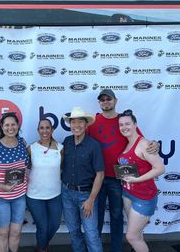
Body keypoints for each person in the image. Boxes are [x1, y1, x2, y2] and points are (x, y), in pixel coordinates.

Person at [87, 89, 159, 252]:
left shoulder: (124, 121)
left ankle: (116, 249)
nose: (106, 102)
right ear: (99, 103)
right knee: (96, 218)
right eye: (102, 100)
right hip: (97, 177)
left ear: (115, 101)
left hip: (120, 177)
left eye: (108, 99)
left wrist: (155, 144)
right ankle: (95, 249)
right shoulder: (93, 122)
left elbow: (143, 141)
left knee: (117, 216)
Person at [0, 112, 29, 252]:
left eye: (13, 124)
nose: (10, 128)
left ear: (18, 126)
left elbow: (26, 165)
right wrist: (2, 186)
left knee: (16, 232)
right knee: (2, 233)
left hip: (19, 197)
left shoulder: (22, 143)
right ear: (2, 127)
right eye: (6, 125)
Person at [118, 109, 165, 252]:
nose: (124, 127)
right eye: (121, 125)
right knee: (137, 235)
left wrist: (136, 180)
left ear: (135, 124)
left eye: (127, 124)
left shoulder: (144, 144)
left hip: (144, 197)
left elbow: (160, 169)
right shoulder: (127, 143)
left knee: (132, 237)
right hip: (127, 194)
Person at [61, 106, 104, 252]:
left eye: (80, 122)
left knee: (91, 234)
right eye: (73, 122)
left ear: (86, 125)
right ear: (70, 125)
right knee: (73, 232)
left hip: (86, 195)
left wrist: (91, 200)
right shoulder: (66, 142)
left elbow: (100, 174)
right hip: (67, 193)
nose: (76, 125)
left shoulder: (94, 145)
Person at [26, 119, 63, 252]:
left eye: (47, 128)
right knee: (43, 227)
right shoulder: (31, 148)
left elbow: (63, 168)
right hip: (34, 195)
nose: (45, 131)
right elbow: (23, 167)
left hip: (55, 194)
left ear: (52, 130)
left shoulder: (60, 148)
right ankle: (42, 249)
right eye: (41, 128)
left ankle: (40, 246)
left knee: (54, 225)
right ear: (38, 130)